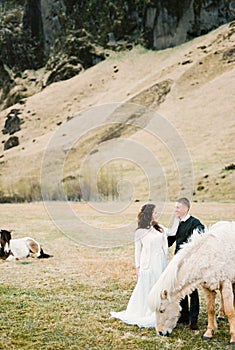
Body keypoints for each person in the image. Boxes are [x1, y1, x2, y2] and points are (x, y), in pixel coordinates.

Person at [110, 203, 170, 328]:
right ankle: (145, 311)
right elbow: (137, 251)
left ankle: (159, 310)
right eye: (155, 212)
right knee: (146, 287)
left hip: (160, 263)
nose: (157, 214)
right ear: (149, 215)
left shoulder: (160, 228)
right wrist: (137, 267)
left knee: (158, 287)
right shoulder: (140, 232)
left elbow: (168, 236)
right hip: (148, 264)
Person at [168, 197, 205, 330]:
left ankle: (193, 319)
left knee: (192, 290)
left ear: (185, 208)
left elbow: (201, 234)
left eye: (177, 207)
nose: (175, 210)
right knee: (180, 287)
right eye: (175, 207)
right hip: (178, 260)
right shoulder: (176, 223)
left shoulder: (195, 223)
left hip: (191, 262)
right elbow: (169, 241)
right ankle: (184, 315)